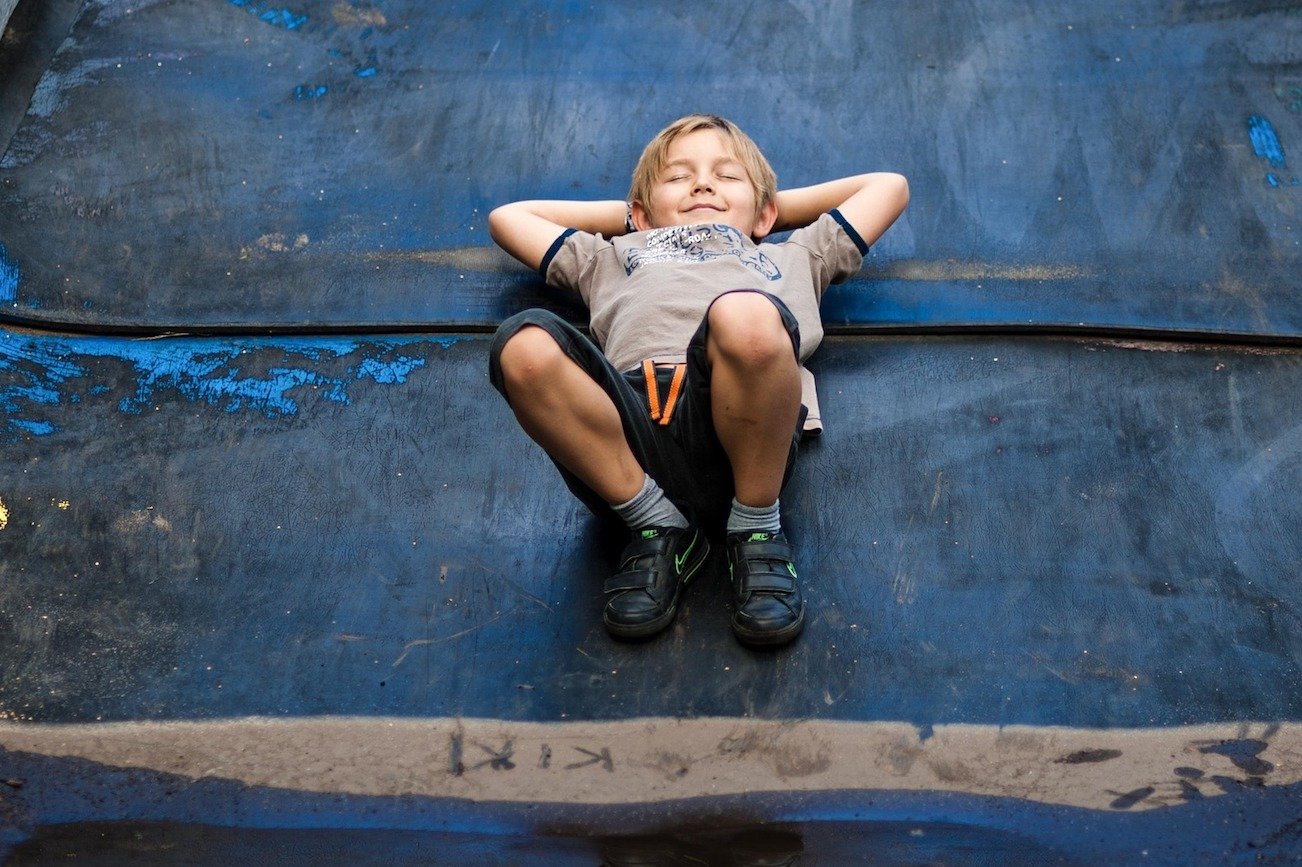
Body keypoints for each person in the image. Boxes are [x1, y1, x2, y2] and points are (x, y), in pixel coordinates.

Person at [487, 114, 908, 646]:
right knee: (522, 344)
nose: (703, 184)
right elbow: (511, 217)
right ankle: (657, 526)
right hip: (627, 441)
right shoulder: (612, 257)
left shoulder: (793, 255)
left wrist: (763, 210)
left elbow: (887, 188)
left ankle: (756, 526)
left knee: (746, 314)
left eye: (725, 176)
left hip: (744, 437)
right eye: (678, 177)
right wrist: (642, 221)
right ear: (638, 214)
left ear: (767, 212)